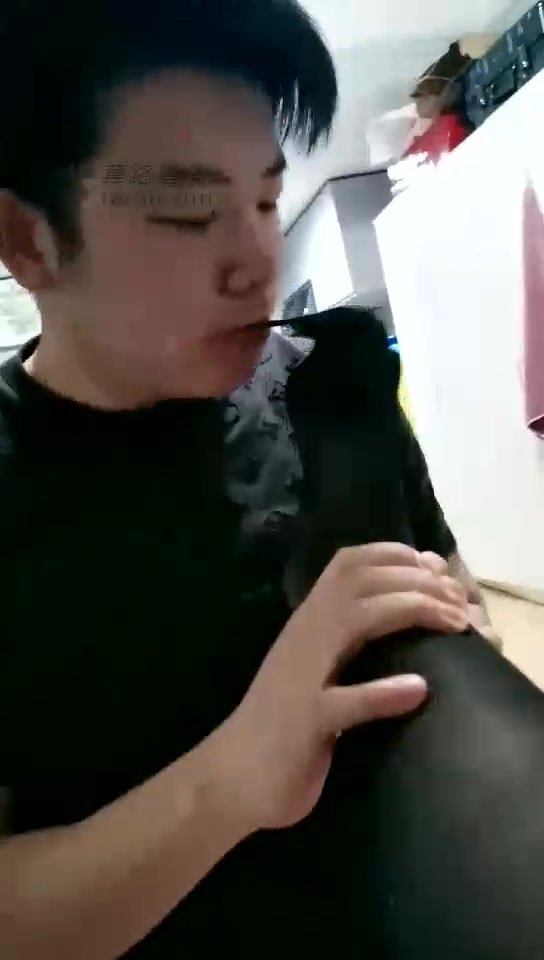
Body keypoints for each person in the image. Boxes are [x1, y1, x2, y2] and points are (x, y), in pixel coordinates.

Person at [0, 2, 491, 957]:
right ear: (29, 241)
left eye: (265, 203)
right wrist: (231, 780)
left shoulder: (336, 380)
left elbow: (450, 587)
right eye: (188, 214)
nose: (256, 264)